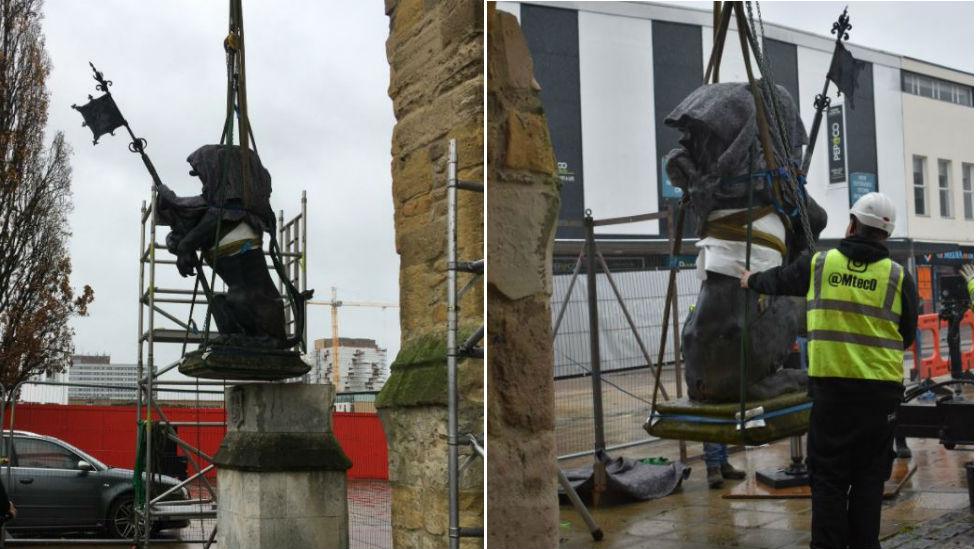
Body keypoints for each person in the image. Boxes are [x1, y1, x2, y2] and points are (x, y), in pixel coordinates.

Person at [740, 192, 917, 549]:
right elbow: (907, 335)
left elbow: (780, 279)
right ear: (886, 235)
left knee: (829, 480)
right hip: (879, 399)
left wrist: (751, 280)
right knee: (869, 480)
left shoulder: (820, 265)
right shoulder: (899, 278)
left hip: (832, 396)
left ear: (852, 224)